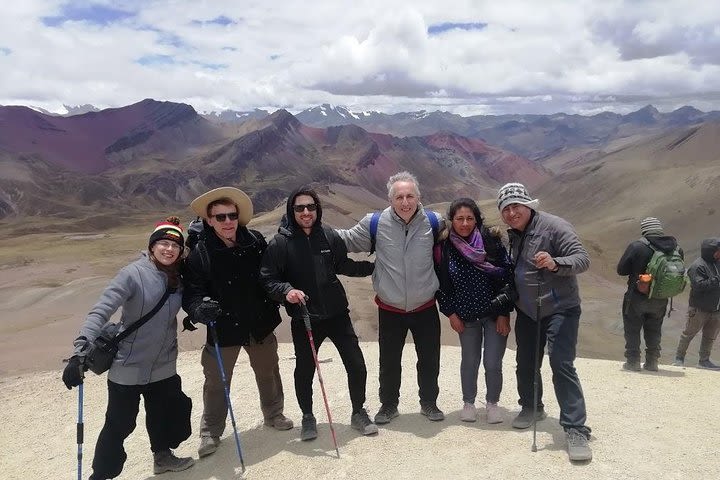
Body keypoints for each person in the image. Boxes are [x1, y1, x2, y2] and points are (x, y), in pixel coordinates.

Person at [62, 217, 194, 480]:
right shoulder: (132, 274)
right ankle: (101, 475)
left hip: (164, 364)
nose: (169, 249)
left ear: (181, 251)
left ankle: (163, 456)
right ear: (152, 246)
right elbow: (101, 310)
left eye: (175, 245)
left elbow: (195, 297)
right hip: (128, 366)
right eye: (163, 243)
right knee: (119, 424)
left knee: (168, 413)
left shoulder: (180, 277)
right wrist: (80, 350)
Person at [260, 186, 378, 440]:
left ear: (317, 209)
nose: (305, 212)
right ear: (292, 211)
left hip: (337, 314)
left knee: (356, 364)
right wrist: (287, 290)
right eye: (299, 207)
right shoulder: (280, 243)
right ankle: (308, 417)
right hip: (305, 318)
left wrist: (374, 269)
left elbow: (342, 265)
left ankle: (358, 412)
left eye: (310, 207)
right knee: (305, 370)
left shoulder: (328, 235)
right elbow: (268, 280)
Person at [182, 187, 292, 459]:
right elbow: (192, 293)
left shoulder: (254, 241)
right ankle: (210, 431)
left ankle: (274, 414)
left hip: (259, 323)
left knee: (268, 371)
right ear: (209, 220)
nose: (227, 221)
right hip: (224, 327)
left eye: (232, 215)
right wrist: (198, 309)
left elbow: (270, 274)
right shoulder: (201, 253)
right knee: (217, 380)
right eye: (220, 217)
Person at [338, 171, 446, 424]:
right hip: (390, 307)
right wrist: (310, 228)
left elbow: (459, 239)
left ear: (419, 197)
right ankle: (388, 405)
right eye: (399, 197)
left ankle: (429, 403)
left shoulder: (434, 222)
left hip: (425, 306)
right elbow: (347, 239)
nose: (405, 202)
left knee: (429, 359)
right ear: (390, 200)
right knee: (388, 361)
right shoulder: (374, 223)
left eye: (410, 196)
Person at [497, 182, 592, 462]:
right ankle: (531, 406)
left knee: (561, 364)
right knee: (525, 362)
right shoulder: (514, 234)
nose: (512, 212)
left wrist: (554, 262)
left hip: (561, 307)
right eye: (506, 208)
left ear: (529, 205)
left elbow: (582, 259)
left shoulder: (554, 226)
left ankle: (575, 428)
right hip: (528, 310)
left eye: (516, 206)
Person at [435, 198, 513, 424]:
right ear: (452, 221)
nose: (465, 223)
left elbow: (507, 277)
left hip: (494, 314)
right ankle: (468, 403)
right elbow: (440, 284)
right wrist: (450, 313)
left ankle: (492, 403)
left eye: (470, 218)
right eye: (460, 219)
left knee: (492, 362)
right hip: (465, 316)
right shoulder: (444, 247)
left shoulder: (491, 242)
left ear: (477, 219)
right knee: (469, 361)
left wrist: (504, 313)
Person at [617, 217, 682, 372]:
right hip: (661, 297)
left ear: (644, 230)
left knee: (632, 328)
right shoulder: (676, 248)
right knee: (654, 329)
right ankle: (652, 362)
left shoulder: (637, 246)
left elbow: (621, 270)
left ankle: (633, 361)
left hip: (637, 296)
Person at [672, 238, 720, 370]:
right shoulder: (698, 266)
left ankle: (704, 360)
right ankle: (679, 358)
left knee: (710, 336)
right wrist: (716, 280)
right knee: (689, 333)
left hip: (716, 309)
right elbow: (698, 285)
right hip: (699, 308)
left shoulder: (718, 263)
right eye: (718, 252)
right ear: (711, 252)